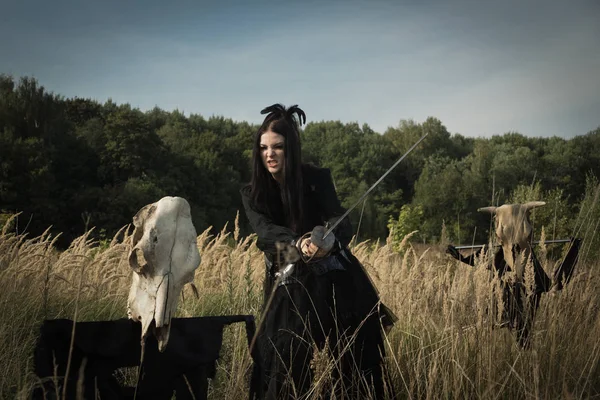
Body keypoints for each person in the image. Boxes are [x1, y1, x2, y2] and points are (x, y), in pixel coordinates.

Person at [241, 104, 395, 399]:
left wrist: (328, 240)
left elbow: (340, 219)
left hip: (334, 270)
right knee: (284, 355)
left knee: (355, 353)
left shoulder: (316, 179)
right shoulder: (253, 193)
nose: (269, 154)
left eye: (278, 147)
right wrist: (298, 243)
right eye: (263, 148)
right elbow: (264, 232)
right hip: (287, 269)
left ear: (292, 148)